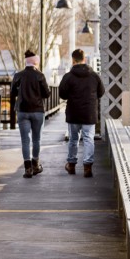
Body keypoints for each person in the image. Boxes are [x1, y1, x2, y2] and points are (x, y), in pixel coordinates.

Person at [58, 48, 105, 178]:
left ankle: (71, 165)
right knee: (89, 139)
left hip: (73, 113)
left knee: (73, 139)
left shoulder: (68, 76)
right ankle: (87, 167)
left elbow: (62, 94)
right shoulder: (94, 75)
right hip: (89, 113)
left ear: (73, 60)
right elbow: (101, 92)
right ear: (85, 59)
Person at [10, 50, 51, 178]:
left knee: (25, 140)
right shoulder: (40, 76)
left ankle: (27, 169)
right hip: (38, 111)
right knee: (36, 139)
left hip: (22, 111)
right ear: (35, 62)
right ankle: (35, 165)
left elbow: (12, 92)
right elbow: (47, 93)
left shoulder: (18, 75)